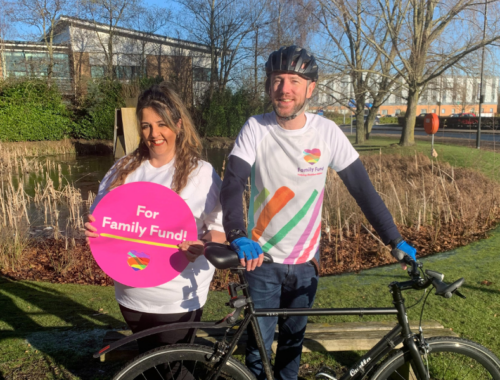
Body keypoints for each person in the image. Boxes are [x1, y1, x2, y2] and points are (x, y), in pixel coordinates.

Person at [220, 45, 417, 380]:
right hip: (261, 260)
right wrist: (237, 235)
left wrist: (394, 238)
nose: (285, 88)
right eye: (278, 80)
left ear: (310, 88)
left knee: (291, 350)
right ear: (269, 86)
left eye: (294, 81)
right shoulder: (256, 128)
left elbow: (364, 192)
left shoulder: (326, 133)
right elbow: (232, 184)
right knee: (258, 351)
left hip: (306, 264)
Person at [85, 82, 226, 354]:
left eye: (162, 124)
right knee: (149, 366)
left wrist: (202, 244)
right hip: (131, 295)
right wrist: (92, 228)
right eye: (146, 125)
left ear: (179, 124)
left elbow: (221, 230)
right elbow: (101, 220)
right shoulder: (123, 169)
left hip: (178, 298)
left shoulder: (203, 174)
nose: (154, 134)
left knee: (176, 370)